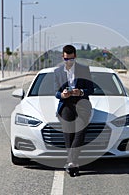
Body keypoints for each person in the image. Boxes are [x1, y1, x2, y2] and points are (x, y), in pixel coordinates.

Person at [54, 45, 94, 177]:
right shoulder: (58, 71)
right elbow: (56, 92)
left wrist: (81, 91)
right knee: (68, 131)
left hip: (82, 102)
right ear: (63, 57)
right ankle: (73, 163)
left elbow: (91, 89)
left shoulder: (84, 69)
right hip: (66, 103)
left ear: (75, 57)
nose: (68, 62)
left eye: (71, 59)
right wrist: (63, 95)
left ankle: (70, 161)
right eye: (66, 59)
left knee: (80, 131)